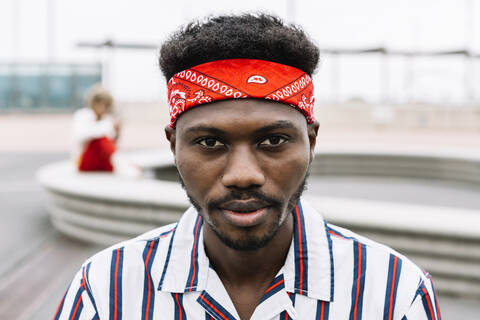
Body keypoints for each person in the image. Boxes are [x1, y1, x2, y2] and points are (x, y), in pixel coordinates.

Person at [55, 14, 441, 320]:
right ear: (173, 146)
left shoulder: (393, 295)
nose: (243, 175)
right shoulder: (105, 291)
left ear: (312, 141)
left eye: (273, 141)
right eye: (210, 142)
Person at [72, 84, 120, 172]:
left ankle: (121, 162)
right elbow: (81, 136)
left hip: (103, 159)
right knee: (100, 140)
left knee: (104, 142)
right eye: (102, 104)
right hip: (84, 159)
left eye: (107, 105)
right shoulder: (83, 115)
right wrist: (107, 127)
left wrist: (117, 132)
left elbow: (111, 144)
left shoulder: (107, 118)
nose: (104, 108)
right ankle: (123, 162)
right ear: (94, 102)